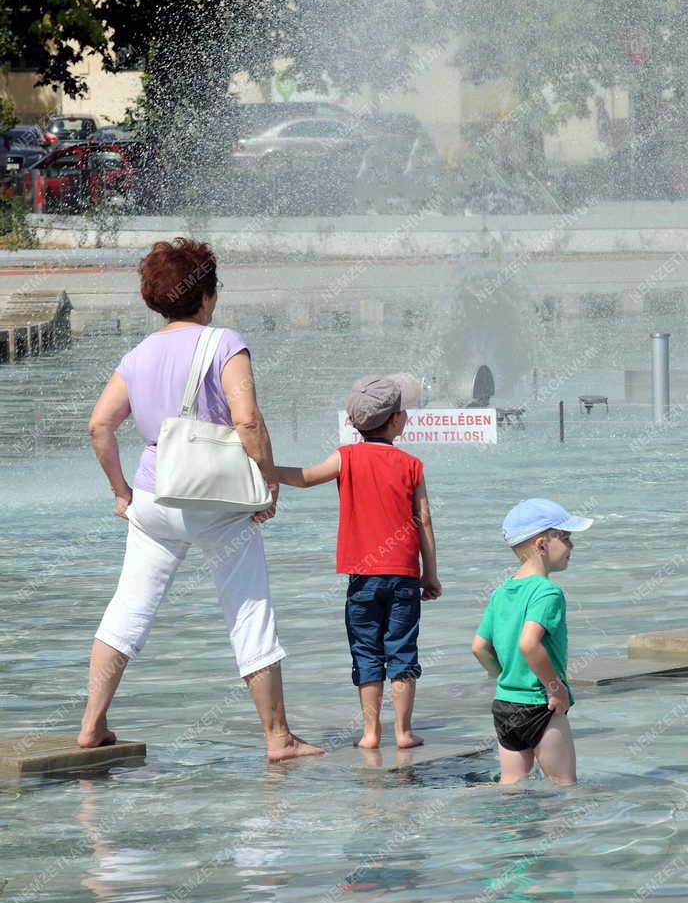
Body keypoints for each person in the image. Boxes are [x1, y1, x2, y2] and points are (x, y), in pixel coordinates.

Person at [80, 237, 323, 761]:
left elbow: (100, 425)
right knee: (248, 609)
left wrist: (120, 491)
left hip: (151, 498)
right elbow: (248, 420)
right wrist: (268, 482)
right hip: (217, 502)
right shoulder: (223, 343)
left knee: (127, 612)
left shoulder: (138, 355)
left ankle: (92, 725)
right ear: (206, 296)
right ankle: (278, 737)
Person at [274, 375, 441, 750]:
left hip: (362, 577)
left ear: (353, 422)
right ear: (397, 420)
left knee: (366, 648)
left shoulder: (345, 457)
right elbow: (425, 520)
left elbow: (304, 479)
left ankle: (370, 734)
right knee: (401, 647)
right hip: (403, 577)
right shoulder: (412, 464)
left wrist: (266, 469)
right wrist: (430, 573)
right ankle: (402, 732)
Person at [471, 498, 592, 787]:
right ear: (541, 544)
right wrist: (555, 688)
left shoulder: (501, 592)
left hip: (505, 705)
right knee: (564, 786)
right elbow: (529, 644)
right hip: (541, 705)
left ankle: (510, 832)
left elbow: (479, 647)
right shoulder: (547, 592)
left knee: (511, 784)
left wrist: (504, 677)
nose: (571, 546)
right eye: (565, 538)